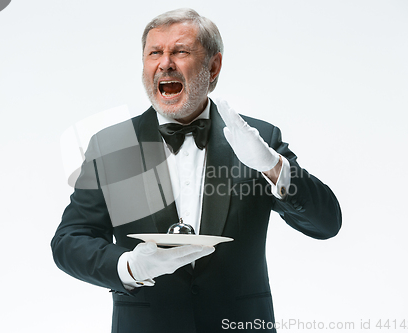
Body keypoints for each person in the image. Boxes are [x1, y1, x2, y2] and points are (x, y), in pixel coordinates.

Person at [51, 8, 341, 333]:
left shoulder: (258, 140)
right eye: (154, 53)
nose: (165, 63)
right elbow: (69, 241)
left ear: (213, 66)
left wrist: (273, 166)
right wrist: (128, 265)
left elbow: (326, 223)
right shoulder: (114, 146)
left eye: (180, 51)